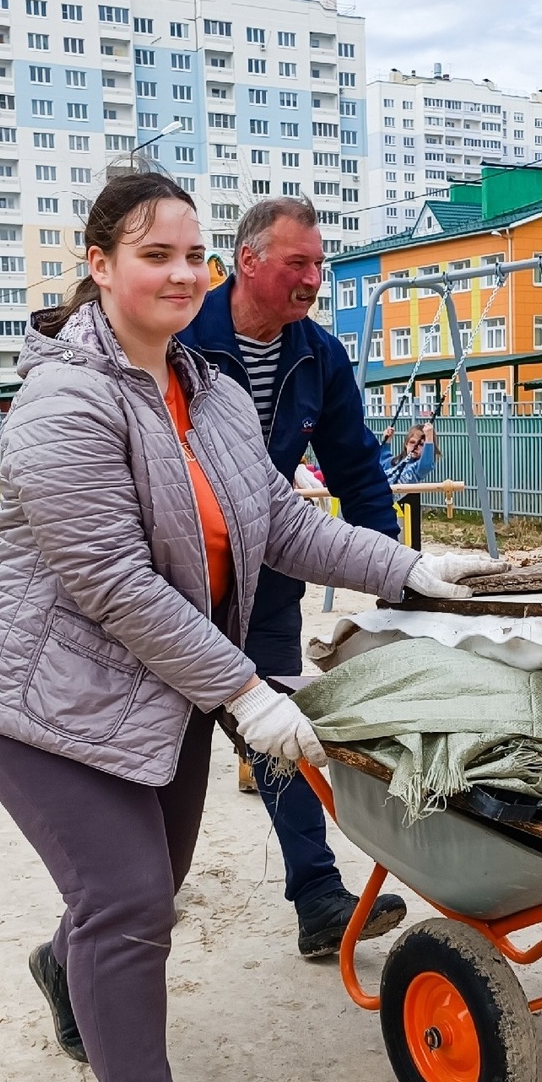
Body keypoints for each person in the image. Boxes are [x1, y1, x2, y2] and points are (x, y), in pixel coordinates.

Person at [0, 173, 501, 1082]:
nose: (180, 273)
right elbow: (113, 580)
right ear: (102, 262)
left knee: (142, 891)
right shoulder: (64, 399)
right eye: (155, 253)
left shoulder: (205, 389)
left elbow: (281, 529)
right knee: (131, 905)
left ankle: (66, 964)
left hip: (154, 697)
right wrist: (248, 691)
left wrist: (415, 574)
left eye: (192, 254)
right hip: (43, 704)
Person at [181, 199, 412, 959]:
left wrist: (394, 571)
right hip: (173, 579)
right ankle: (108, 920)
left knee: (281, 730)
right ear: (248, 261)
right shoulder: (183, 335)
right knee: (159, 756)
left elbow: (358, 469)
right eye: (298, 264)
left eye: (320, 265)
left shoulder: (318, 355)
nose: (315, 279)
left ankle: (316, 895)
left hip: (265, 574)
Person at [380, 421, 439, 485]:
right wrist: (386, 441)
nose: (416, 447)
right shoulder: (396, 462)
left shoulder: (417, 469)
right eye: (412, 442)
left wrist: (429, 439)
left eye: (421, 444)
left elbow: (426, 464)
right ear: (406, 444)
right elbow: (383, 461)